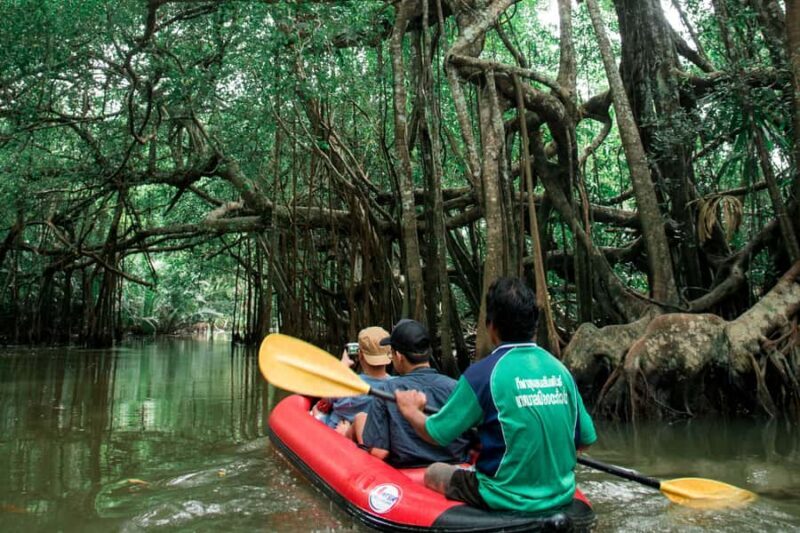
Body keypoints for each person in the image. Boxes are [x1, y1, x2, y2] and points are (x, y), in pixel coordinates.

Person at [395, 277, 597, 513]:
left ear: (491, 326)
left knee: (434, 472)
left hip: (502, 497)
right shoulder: (561, 371)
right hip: (560, 495)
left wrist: (410, 411)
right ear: (535, 324)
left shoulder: (481, 375)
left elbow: (436, 434)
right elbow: (585, 440)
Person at [354, 319, 469, 467]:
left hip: (405, 476)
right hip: (454, 471)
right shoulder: (457, 387)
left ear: (399, 356)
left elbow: (378, 452)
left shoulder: (386, 390)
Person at [312, 326, 392, 433]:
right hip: (368, 435)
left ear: (361, 355)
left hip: (334, 431)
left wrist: (342, 367)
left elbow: (326, 397)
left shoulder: (348, 383)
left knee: (315, 410)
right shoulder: (396, 385)